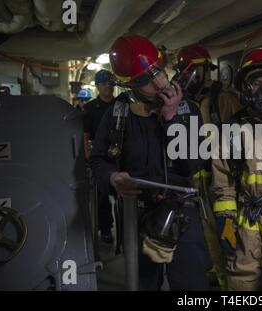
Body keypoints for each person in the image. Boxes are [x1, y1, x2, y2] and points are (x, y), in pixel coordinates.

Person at [90, 34, 210, 290]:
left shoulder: (188, 109)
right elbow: (98, 161)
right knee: (144, 284)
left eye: (158, 71)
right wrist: (113, 178)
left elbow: (193, 164)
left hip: (182, 213)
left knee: (192, 286)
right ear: (129, 85)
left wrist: (172, 120)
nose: (158, 83)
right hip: (139, 215)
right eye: (145, 80)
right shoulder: (118, 113)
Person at [211, 47, 262, 290]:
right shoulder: (231, 131)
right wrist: (226, 219)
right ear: (245, 88)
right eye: (257, 83)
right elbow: (223, 182)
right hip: (246, 231)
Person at [175, 45, 241, 288]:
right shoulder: (188, 101)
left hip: (221, 178)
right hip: (199, 177)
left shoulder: (223, 99)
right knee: (207, 229)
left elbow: (238, 141)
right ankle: (218, 273)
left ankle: (230, 281)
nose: (188, 76)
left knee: (226, 229)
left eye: (192, 71)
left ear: (204, 70)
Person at [83, 69, 116, 243]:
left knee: (126, 196)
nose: (108, 87)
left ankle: (129, 229)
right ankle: (105, 229)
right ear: (97, 86)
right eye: (104, 84)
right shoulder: (90, 108)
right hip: (100, 155)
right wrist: (88, 155)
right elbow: (85, 134)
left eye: (110, 83)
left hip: (120, 154)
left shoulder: (121, 105)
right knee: (102, 196)